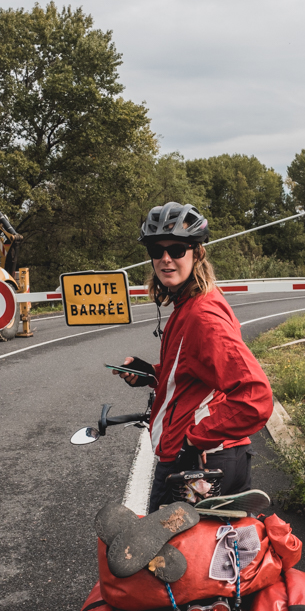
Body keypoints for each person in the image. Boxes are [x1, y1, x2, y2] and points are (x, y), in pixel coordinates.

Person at [115, 202, 273, 513]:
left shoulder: (203, 315)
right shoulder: (187, 306)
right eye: (156, 250)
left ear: (197, 253)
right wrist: (153, 374)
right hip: (204, 458)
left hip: (200, 463)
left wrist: (194, 441)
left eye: (176, 249)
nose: (165, 259)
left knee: (162, 557)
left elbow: (255, 397)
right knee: (208, 558)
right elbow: (196, 377)